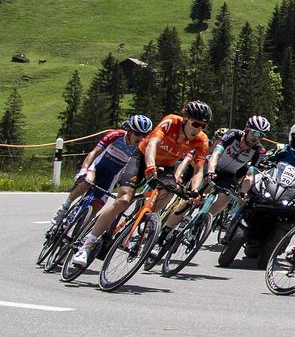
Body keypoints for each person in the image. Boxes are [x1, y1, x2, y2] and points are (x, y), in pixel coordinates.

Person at [71, 100, 211, 268]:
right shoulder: (171, 121)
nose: (198, 129)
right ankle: (86, 246)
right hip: (142, 158)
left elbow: (198, 170)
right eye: (195, 124)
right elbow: (152, 143)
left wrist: (195, 190)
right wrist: (150, 165)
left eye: (203, 126)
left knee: (170, 191)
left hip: (166, 167)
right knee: (123, 200)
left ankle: (144, 218)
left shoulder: (201, 140)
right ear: (185, 118)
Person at [51, 115, 153, 225]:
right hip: (96, 169)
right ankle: (65, 206)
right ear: (129, 131)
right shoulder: (116, 135)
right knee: (86, 182)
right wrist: (83, 170)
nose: (141, 138)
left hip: (110, 178)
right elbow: (94, 153)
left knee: (96, 207)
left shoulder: (141, 149)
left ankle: (78, 234)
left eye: (145, 135)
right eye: (137, 134)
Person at [201, 115, 271, 221]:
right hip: (213, 165)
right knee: (197, 194)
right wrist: (210, 171)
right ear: (247, 130)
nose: (257, 137)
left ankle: (203, 221)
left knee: (226, 198)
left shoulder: (259, 151)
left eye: (261, 135)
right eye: (255, 132)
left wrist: (243, 193)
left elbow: (250, 175)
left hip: (228, 174)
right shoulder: (233, 134)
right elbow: (216, 154)